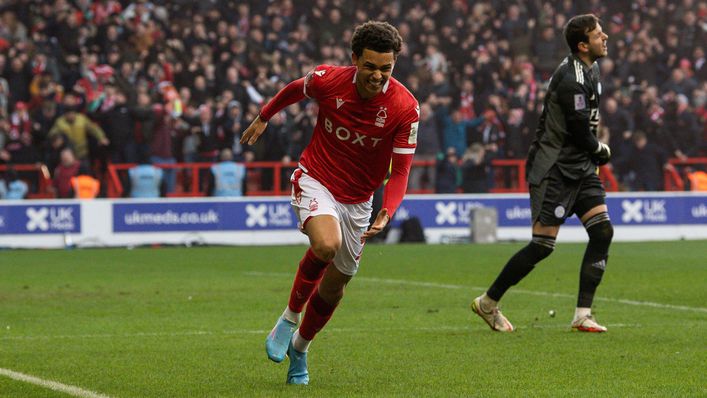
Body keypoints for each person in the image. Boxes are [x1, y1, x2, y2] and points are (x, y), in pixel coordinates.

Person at [240, 21, 419, 385]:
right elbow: (295, 89)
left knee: (336, 286)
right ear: (355, 59)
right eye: (370, 66)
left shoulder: (405, 107)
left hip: (359, 201)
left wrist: (389, 209)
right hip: (316, 178)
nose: (378, 76)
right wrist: (264, 116)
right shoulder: (328, 80)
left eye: (386, 68)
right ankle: (289, 318)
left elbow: (400, 170)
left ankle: (300, 348)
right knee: (326, 244)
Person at [470, 14, 613, 333]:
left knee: (602, 232)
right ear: (582, 44)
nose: (605, 38)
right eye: (599, 35)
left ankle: (582, 315)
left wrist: (592, 153)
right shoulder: (571, 78)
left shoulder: (591, 69)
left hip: (580, 167)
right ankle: (488, 303)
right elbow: (578, 129)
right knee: (542, 246)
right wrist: (601, 149)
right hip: (554, 168)